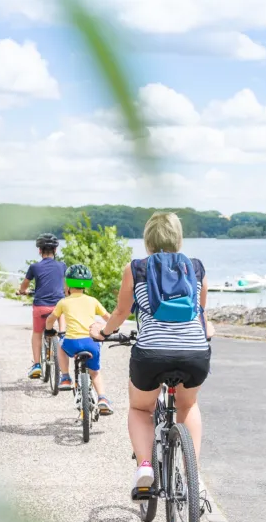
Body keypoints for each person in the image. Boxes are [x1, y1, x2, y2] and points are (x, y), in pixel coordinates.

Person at [89, 212, 210, 498]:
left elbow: (120, 313)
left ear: (147, 241)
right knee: (188, 406)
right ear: (178, 239)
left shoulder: (136, 268)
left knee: (141, 409)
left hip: (152, 353)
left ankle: (145, 466)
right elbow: (201, 313)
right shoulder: (196, 268)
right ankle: (193, 476)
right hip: (195, 352)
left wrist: (103, 333)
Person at [45, 264, 114, 416]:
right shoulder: (93, 301)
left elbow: (51, 318)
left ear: (68, 284)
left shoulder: (64, 302)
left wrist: (49, 329)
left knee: (61, 349)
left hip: (72, 342)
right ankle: (102, 398)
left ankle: (65, 377)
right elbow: (109, 318)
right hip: (91, 342)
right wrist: (111, 329)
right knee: (95, 372)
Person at [18, 233, 66, 380]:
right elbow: (65, 287)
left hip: (41, 307)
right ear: (55, 250)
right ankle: (63, 335)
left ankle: (37, 365)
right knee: (62, 309)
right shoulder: (62, 266)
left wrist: (22, 292)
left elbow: (24, 285)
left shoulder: (34, 267)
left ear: (39, 251)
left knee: (37, 333)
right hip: (58, 307)